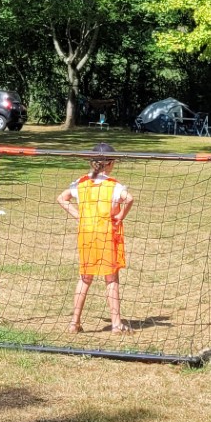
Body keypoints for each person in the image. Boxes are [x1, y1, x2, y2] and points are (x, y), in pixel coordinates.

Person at [56, 142, 134, 333]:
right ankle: (116, 324)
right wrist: (120, 216)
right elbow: (129, 198)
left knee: (85, 277)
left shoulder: (80, 182)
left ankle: (74, 323)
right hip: (106, 234)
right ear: (110, 164)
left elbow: (61, 198)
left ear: (92, 163)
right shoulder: (114, 186)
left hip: (87, 234)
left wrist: (79, 215)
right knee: (111, 278)